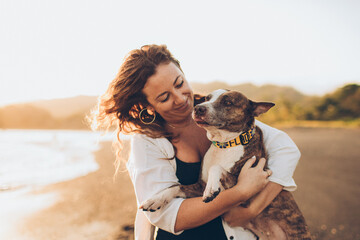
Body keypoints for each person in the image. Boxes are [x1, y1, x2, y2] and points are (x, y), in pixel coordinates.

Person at [92, 44, 300, 240]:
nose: (181, 99)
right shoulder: (146, 142)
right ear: (148, 107)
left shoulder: (213, 110)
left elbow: (286, 149)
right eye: (164, 98)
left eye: (179, 84)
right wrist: (240, 193)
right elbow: (168, 215)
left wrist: (251, 211)